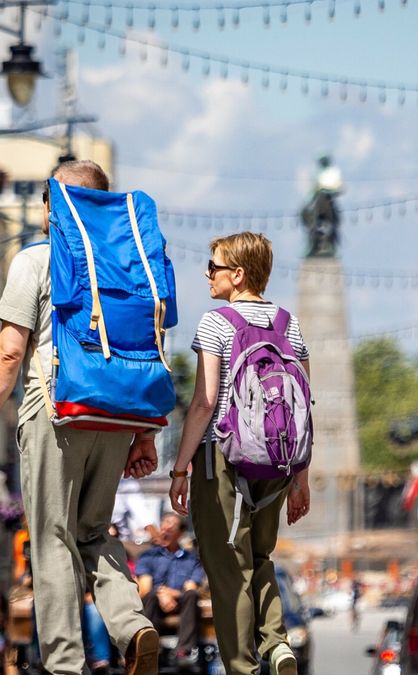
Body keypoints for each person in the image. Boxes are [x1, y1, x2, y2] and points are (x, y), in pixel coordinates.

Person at [0, 160, 161, 675]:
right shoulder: (130, 262)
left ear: (54, 204)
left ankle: (65, 664)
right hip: (117, 415)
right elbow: (145, 345)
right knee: (94, 532)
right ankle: (132, 624)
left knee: (52, 536)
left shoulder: (38, 259)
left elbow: (11, 351)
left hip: (56, 410)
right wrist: (142, 432)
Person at [168, 232, 311, 675]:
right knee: (261, 557)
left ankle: (242, 669)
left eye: (214, 266)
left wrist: (180, 468)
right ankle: (279, 646)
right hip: (279, 459)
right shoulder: (289, 323)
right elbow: (307, 402)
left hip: (223, 458)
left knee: (229, 570)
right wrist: (301, 475)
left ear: (238, 274)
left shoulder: (217, 322)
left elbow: (205, 402)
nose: (207, 274)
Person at [135, 512, 205, 667]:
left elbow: (191, 587)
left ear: (180, 533)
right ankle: (150, 650)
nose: (165, 528)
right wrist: (161, 594)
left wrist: (171, 594)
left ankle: (184, 651)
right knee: (151, 596)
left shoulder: (191, 559)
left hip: (180, 602)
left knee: (192, 595)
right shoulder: (148, 556)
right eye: (163, 524)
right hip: (154, 602)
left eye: (171, 525)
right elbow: (145, 589)